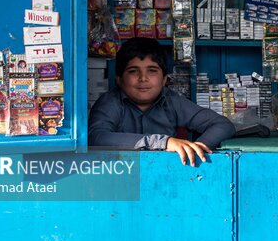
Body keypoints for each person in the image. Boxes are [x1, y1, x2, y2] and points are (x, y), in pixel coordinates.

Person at [89, 37, 236, 166]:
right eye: (133, 71)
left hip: (164, 176)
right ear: (119, 80)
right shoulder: (111, 102)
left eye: (152, 70)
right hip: (121, 177)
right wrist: (164, 142)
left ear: (164, 79)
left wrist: (198, 148)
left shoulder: (171, 101)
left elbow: (222, 124)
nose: (143, 78)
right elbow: (96, 138)